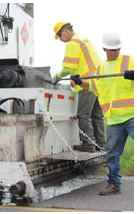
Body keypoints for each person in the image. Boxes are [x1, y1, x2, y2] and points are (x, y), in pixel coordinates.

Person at [70, 32, 134, 195]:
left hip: (132, 116)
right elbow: (94, 87)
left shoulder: (129, 61)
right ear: (105, 49)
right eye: (112, 49)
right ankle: (114, 184)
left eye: (117, 49)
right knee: (112, 154)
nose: (115, 52)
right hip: (113, 120)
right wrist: (80, 82)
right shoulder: (102, 68)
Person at [53, 22, 106, 152]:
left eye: (60, 36)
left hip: (86, 84)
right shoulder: (85, 40)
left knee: (83, 116)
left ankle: (88, 144)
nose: (61, 40)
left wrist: (57, 76)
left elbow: (69, 67)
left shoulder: (72, 43)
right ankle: (101, 145)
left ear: (64, 31)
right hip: (98, 84)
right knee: (97, 116)